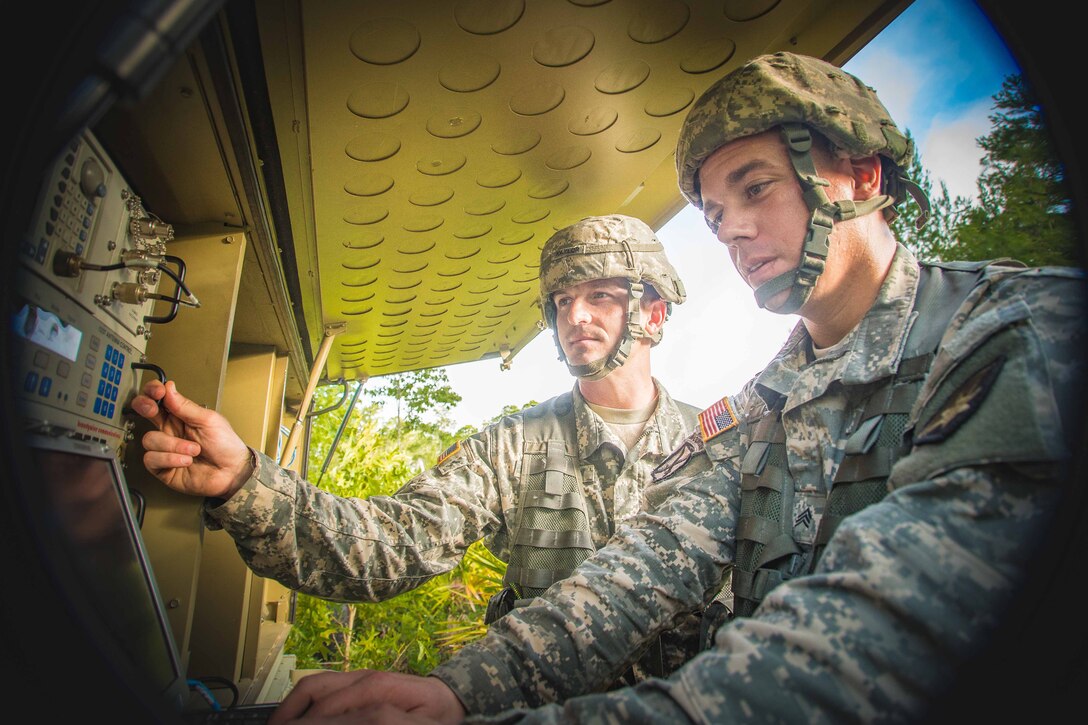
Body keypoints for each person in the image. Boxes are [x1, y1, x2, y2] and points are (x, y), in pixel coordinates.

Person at [266, 51, 1087, 724]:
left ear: (862, 176)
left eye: (754, 187)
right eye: (711, 209)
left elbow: (883, 635)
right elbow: (636, 576)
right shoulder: (762, 413)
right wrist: (457, 691)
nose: (727, 226)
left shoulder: (1012, 330)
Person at [131, 213, 704, 683]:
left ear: (653, 312)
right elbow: (390, 545)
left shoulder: (719, 444)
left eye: (600, 296)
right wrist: (242, 483)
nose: (574, 316)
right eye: (561, 300)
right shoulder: (514, 445)